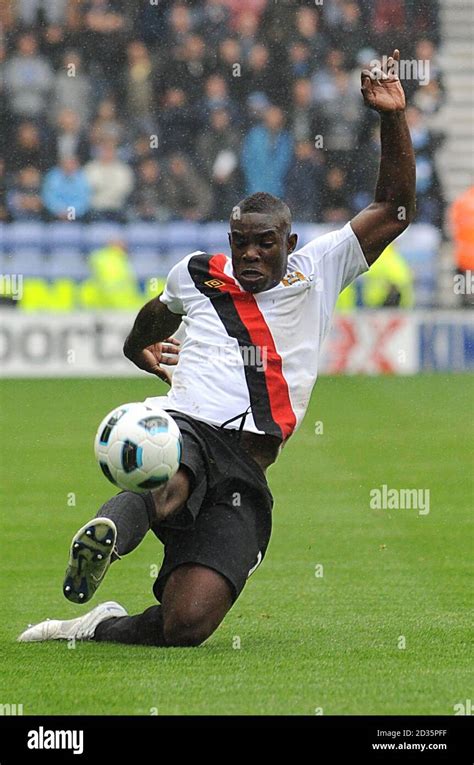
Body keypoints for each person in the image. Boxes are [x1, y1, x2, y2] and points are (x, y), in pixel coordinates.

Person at [19, 50, 416, 647]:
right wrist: (137, 349)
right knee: (169, 470)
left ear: (291, 242)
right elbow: (157, 313)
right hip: (189, 424)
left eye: (264, 244)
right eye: (240, 244)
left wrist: (390, 118)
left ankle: (96, 625)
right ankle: (105, 532)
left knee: (186, 624)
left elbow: (393, 208)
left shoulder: (321, 268)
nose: (250, 256)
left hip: (248, 467)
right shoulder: (199, 273)